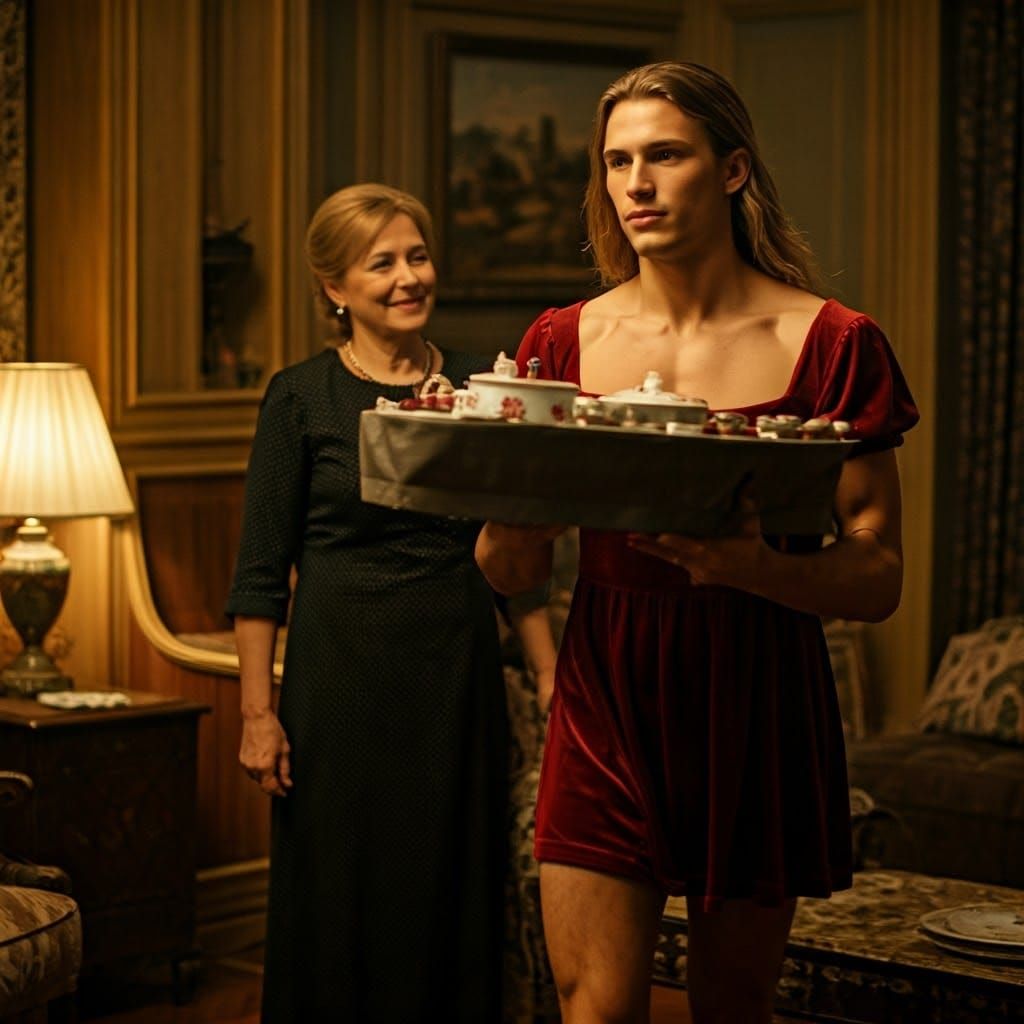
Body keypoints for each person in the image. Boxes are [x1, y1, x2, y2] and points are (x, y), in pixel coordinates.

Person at [475, 61, 919, 1024]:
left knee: (734, 1004)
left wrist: (754, 566)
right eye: (617, 161)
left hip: (757, 689)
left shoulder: (833, 343)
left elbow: (879, 573)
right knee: (593, 1006)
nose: (634, 183)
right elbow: (506, 569)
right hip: (606, 686)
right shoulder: (560, 343)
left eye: (664, 156)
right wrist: (517, 525)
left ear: (731, 170)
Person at [226, 183, 519, 1021]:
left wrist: (554, 679)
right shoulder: (300, 398)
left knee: (454, 900)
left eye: (417, 256)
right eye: (381, 262)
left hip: (456, 685)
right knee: (339, 906)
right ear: (334, 288)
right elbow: (258, 573)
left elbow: (517, 561)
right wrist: (258, 714)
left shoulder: (482, 390)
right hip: (339, 689)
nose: (406, 277)